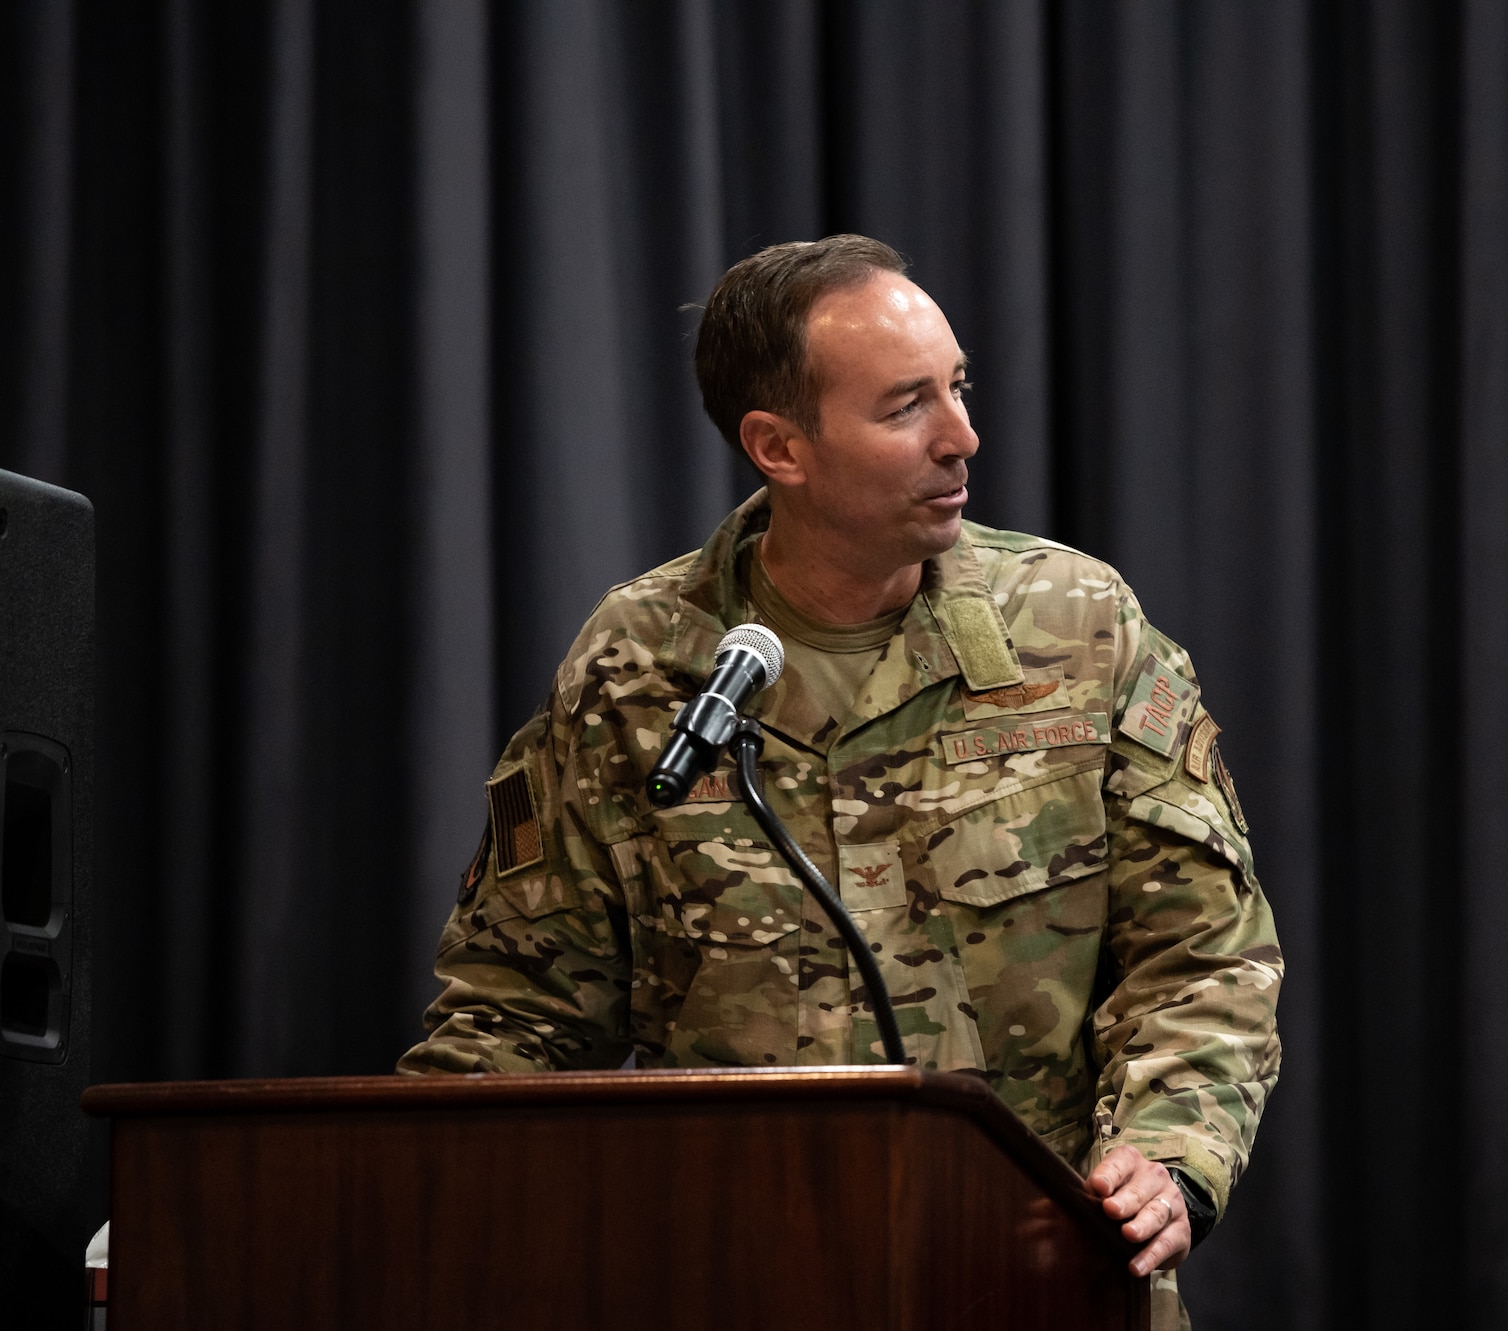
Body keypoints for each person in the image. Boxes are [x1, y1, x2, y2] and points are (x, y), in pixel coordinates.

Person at [400, 235, 1283, 1328]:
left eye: (957, 389)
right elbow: (522, 1012)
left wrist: (1169, 1148)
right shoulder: (640, 670)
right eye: (906, 405)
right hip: (739, 1278)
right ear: (780, 445)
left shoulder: (1077, 626)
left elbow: (1202, 952)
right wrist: (404, 1211)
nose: (962, 438)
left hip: (1036, 1275)